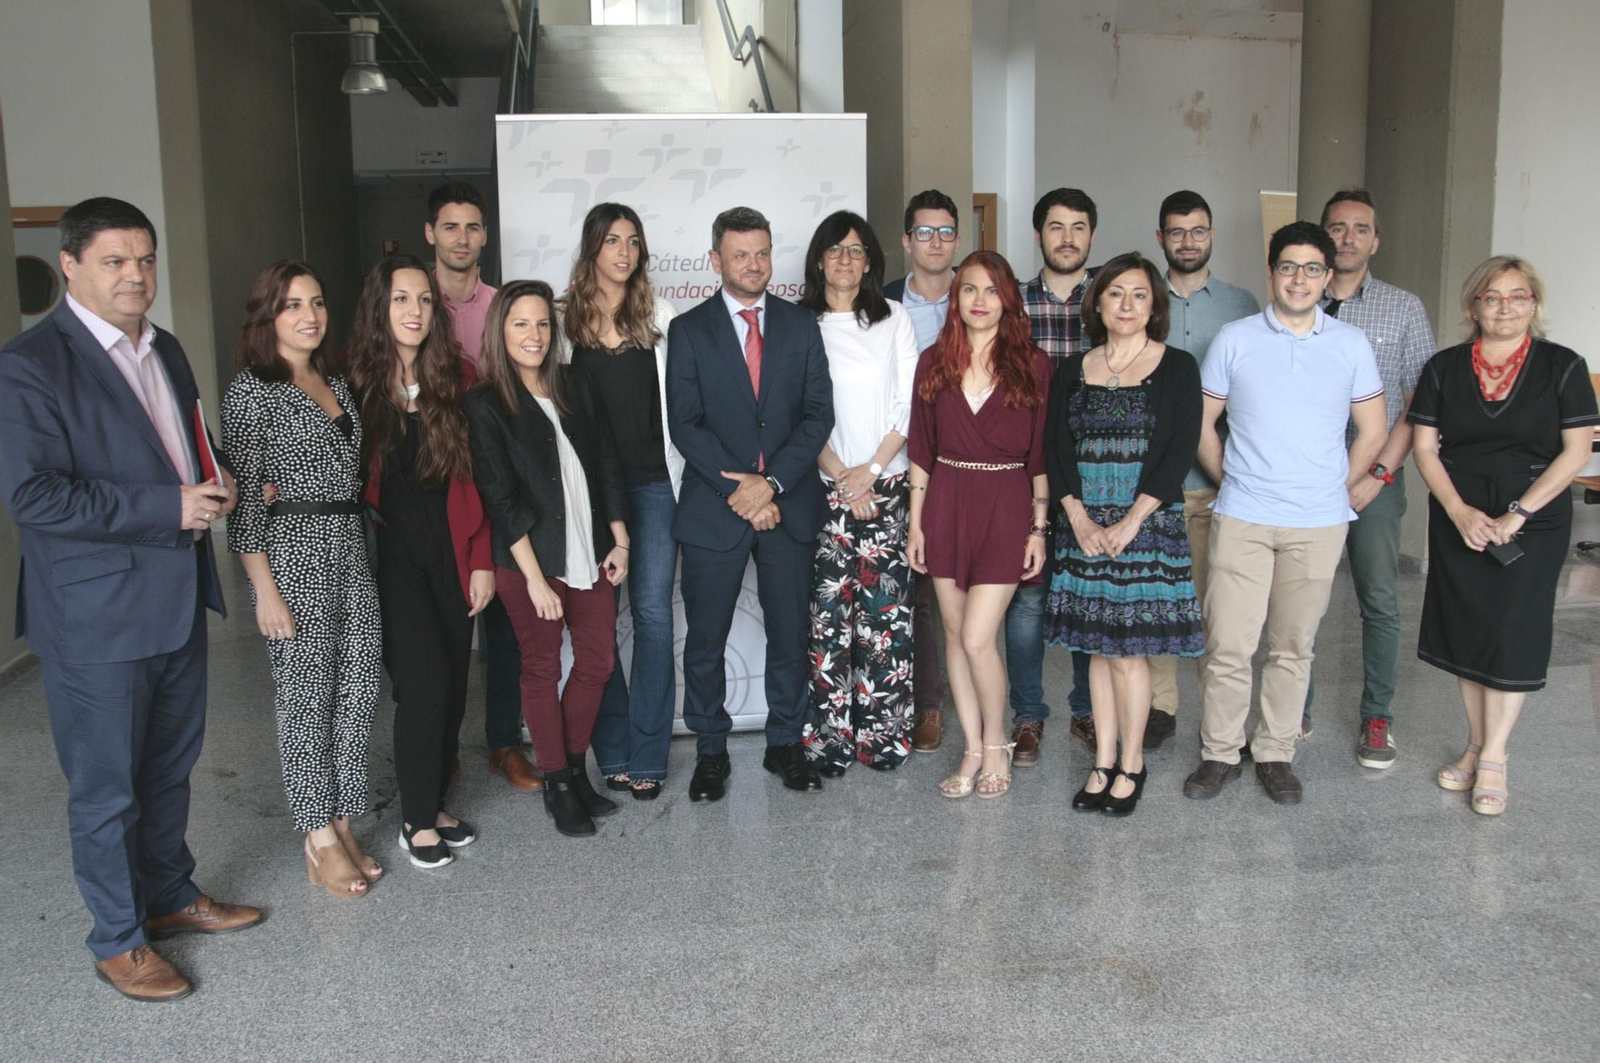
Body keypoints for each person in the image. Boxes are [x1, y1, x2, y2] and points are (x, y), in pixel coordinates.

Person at [0, 197, 261, 1001]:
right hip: (96, 618)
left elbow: (178, 446)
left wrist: (218, 477)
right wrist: (166, 507)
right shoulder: (30, 363)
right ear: (70, 265)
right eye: (114, 260)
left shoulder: (165, 347)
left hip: (175, 597)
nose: (135, 275)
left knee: (169, 768)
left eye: (144, 259)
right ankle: (118, 936)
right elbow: (33, 495)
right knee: (107, 787)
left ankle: (170, 894)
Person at [1182, 222, 1386, 805]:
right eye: (1289, 267)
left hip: (1318, 522)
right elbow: (1201, 422)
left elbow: (1373, 429)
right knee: (1228, 644)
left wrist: (1333, 488)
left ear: (1327, 276)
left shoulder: (1349, 344)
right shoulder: (1236, 338)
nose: (1300, 279)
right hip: (1244, 515)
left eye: (1312, 268)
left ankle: (1275, 752)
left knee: (1293, 647)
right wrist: (1231, 478)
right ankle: (1221, 752)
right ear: (1271, 272)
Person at [1409, 257, 1598, 816]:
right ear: (1474, 306)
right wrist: (1458, 511)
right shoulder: (1444, 367)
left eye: (1518, 296)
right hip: (1460, 511)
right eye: (1492, 297)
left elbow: (1577, 452)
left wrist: (1519, 512)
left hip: (1534, 516)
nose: (1505, 307)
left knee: (1513, 628)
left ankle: (1494, 756)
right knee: (1470, 629)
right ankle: (1476, 743)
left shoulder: (1563, 366)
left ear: (1534, 304)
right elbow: (1424, 448)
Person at [223, 261, 384, 889]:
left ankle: (344, 821)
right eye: (292, 305)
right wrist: (264, 591)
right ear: (268, 315)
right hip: (293, 552)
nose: (309, 316)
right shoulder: (251, 391)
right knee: (306, 698)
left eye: (316, 303)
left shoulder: (335, 380)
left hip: (350, 545)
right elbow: (244, 505)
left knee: (359, 691)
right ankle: (317, 838)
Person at [665, 206, 835, 801]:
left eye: (762, 252)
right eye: (741, 255)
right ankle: (711, 751)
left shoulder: (800, 325)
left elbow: (818, 416)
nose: (754, 264)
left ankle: (785, 744)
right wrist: (742, 489)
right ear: (716, 260)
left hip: (788, 505)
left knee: (789, 634)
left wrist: (773, 483)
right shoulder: (689, 330)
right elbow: (684, 425)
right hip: (717, 508)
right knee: (705, 640)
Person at [466, 280, 629, 836]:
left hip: (590, 548)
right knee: (541, 668)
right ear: (500, 331)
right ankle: (557, 784)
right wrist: (535, 579)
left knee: (597, 662)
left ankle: (575, 769)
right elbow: (500, 495)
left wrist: (620, 540)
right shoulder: (486, 402)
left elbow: (605, 462)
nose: (533, 335)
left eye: (541, 323)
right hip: (528, 562)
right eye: (520, 324)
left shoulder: (573, 383)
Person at [347, 257, 495, 868]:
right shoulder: (351, 384)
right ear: (380, 309)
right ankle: (415, 821)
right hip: (388, 556)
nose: (414, 311)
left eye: (424, 300)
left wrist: (482, 560)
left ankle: (433, 803)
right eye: (401, 299)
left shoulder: (457, 376)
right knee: (424, 685)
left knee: (454, 685)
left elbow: (479, 478)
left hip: (452, 548)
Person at [1045, 253, 1204, 815]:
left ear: (1154, 304)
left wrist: (1132, 520)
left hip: (1147, 527)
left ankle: (1131, 763)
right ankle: (1103, 760)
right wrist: (1079, 519)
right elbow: (1056, 449)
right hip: (1085, 528)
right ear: (1099, 303)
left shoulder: (1178, 367)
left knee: (1129, 654)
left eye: (1139, 294)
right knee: (1095, 649)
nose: (1127, 304)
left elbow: (1180, 450)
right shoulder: (1074, 369)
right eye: (1116, 293)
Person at [908, 250, 1051, 799]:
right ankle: (971, 748)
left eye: (992, 290)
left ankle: (996, 744)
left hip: (1006, 504)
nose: (980, 300)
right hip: (946, 500)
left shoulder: (1032, 363)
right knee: (954, 634)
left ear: (1007, 298)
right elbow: (922, 450)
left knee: (976, 636)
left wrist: (1038, 528)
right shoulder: (933, 360)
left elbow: (1040, 455)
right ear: (956, 297)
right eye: (969, 289)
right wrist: (916, 524)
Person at [1306, 189, 1436, 769]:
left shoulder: (1403, 308)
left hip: (1374, 480)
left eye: (1360, 229)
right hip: (1306, 478)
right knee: (1300, 599)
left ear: (1375, 241)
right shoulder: (1298, 297)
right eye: (1338, 227)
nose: (1348, 238)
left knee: (1379, 600)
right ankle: (1295, 708)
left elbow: (1418, 403)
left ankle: (1377, 715)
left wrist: (1378, 473)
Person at [564, 203, 681, 800]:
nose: (625, 252)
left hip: (655, 485)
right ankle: (611, 750)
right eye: (613, 240)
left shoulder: (660, 315)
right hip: (588, 495)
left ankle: (648, 755)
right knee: (600, 623)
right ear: (593, 248)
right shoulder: (562, 323)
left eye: (633, 241)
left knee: (654, 617)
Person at [426, 180, 538, 792]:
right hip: (431, 487)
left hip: (496, 482)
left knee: (507, 628)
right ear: (431, 234)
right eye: (450, 226)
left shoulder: (502, 309)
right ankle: (439, 749)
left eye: (472, 227)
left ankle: (503, 743)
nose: (462, 238)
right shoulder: (410, 301)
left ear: (485, 235)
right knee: (440, 633)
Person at [798, 210, 919, 772]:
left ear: (869, 261)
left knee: (884, 619)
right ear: (819, 260)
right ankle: (830, 740)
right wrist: (845, 477)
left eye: (856, 249)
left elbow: (908, 402)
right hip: (824, 489)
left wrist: (871, 469)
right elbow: (796, 413)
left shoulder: (893, 318)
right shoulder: (800, 324)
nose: (845, 259)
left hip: (886, 486)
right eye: (835, 249)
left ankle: (884, 737)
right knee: (829, 621)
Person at [1143, 190, 1260, 750]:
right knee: (1160, 605)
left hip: (1221, 485)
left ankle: (1219, 718)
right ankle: (1160, 707)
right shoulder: (1141, 299)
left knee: (1221, 612)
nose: (1187, 242)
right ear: (1160, 238)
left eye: (1198, 231)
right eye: (1176, 231)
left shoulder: (1242, 305)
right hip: (1156, 486)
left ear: (1211, 235)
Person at [1012, 187, 1102, 764]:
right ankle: (1027, 715)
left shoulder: (1114, 298)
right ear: (1038, 234)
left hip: (1097, 473)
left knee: (1090, 596)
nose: (1067, 238)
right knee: (1028, 599)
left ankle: (1087, 711)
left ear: (1092, 234)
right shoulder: (1013, 303)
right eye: (1055, 226)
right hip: (1027, 473)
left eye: (1078, 227)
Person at [883, 190, 957, 753]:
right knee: (918, 589)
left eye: (946, 232)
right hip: (899, 463)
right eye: (924, 232)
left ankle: (997, 707)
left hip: (968, 465)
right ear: (907, 241)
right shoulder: (882, 304)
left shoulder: (978, 297)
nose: (936, 242)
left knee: (979, 591)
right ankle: (928, 704)